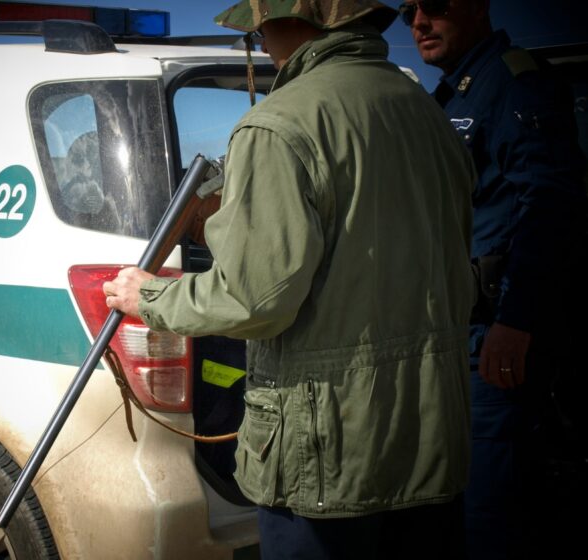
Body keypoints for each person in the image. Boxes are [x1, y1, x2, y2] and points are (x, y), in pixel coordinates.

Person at [104, 1, 477, 558]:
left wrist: (148, 295)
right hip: (430, 443)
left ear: (289, 21)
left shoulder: (278, 123)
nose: (258, 40)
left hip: (328, 463)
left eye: (259, 26)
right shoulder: (424, 109)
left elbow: (255, 300)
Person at [400, 0, 587, 558]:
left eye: (433, 7)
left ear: (475, 7)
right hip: (456, 336)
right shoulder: (452, 94)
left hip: (495, 341)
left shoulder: (515, 83)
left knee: (491, 519)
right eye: (409, 10)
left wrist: (517, 321)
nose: (418, 23)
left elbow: (549, 205)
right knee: (450, 513)